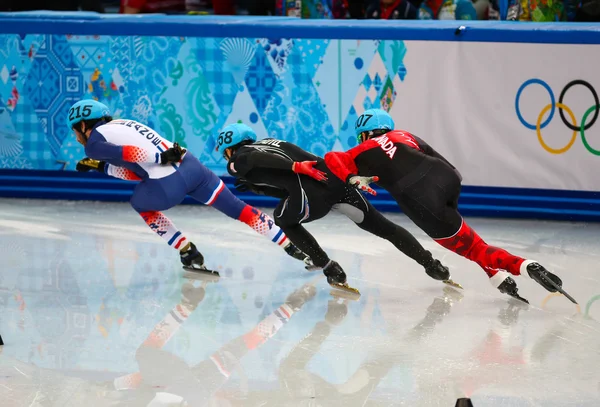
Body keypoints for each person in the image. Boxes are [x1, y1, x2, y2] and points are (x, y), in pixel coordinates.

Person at [323, 108, 576, 304]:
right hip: (446, 179)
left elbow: (332, 158)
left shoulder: (360, 151)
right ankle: (496, 276)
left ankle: (524, 265)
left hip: (421, 202)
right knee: (468, 238)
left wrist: (350, 177)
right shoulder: (404, 135)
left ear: (365, 134)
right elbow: (441, 160)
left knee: (474, 249)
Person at [67, 99, 314, 274]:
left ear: (82, 125)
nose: (76, 137)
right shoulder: (122, 124)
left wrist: (159, 159)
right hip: (191, 165)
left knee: (140, 204)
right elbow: (135, 169)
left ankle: (187, 251)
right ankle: (292, 246)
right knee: (238, 209)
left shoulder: (94, 143)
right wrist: (101, 168)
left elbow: (130, 153)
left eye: (75, 130)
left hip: (167, 178)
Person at [215, 122, 460, 295]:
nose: (227, 159)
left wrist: (296, 168)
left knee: (283, 219)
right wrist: (261, 187)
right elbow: (282, 183)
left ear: (230, 146)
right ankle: (433, 265)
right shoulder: (272, 142)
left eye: (226, 153)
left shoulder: (240, 158)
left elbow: (260, 161)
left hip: (312, 190)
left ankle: (330, 268)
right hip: (336, 182)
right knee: (384, 227)